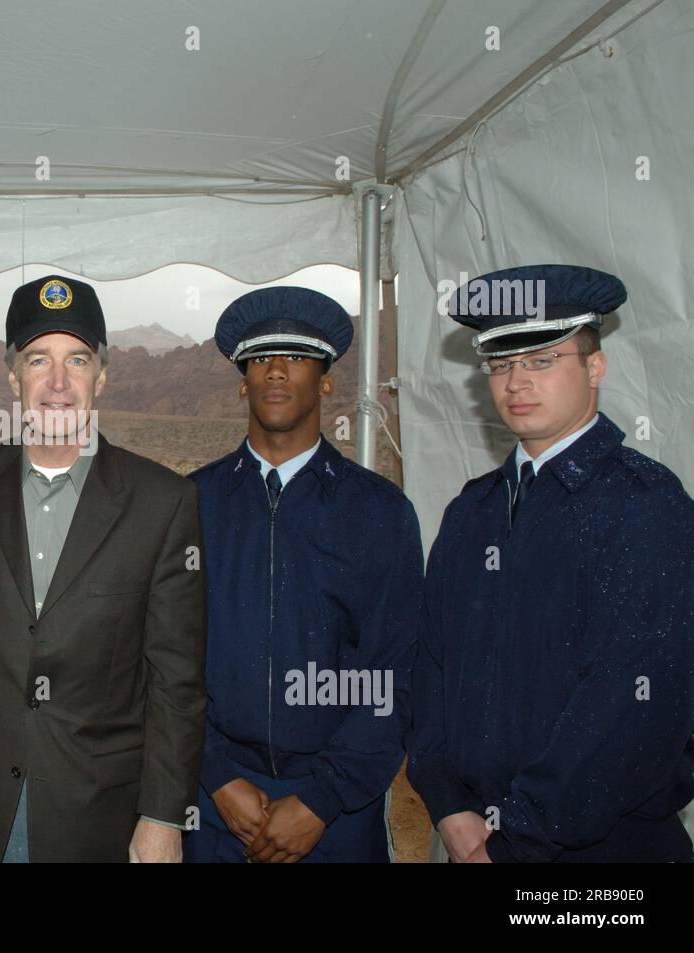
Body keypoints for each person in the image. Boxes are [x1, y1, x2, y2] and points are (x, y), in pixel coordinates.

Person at [408, 264, 694, 862]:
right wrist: (447, 804)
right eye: (502, 364)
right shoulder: (474, 509)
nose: (517, 383)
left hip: (597, 850)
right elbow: (432, 662)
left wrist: (515, 839)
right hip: (468, 835)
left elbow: (631, 705)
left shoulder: (643, 503)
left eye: (542, 360)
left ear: (594, 368)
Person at [0, 275, 206, 863]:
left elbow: (175, 680)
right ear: (12, 376)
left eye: (76, 360)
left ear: (101, 376)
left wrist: (161, 817)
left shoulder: (162, 503)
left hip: (102, 815)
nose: (57, 383)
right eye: (37, 360)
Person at [185, 287, 422, 863]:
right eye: (261, 359)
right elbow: (167, 655)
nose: (275, 372)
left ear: (325, 381)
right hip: (216, 804)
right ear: (243, 381)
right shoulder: (192, 504)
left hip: (336, 814)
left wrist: (322, 798)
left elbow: (394, 669)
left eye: (295, 358)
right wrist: (215, 774)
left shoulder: (379, 512)